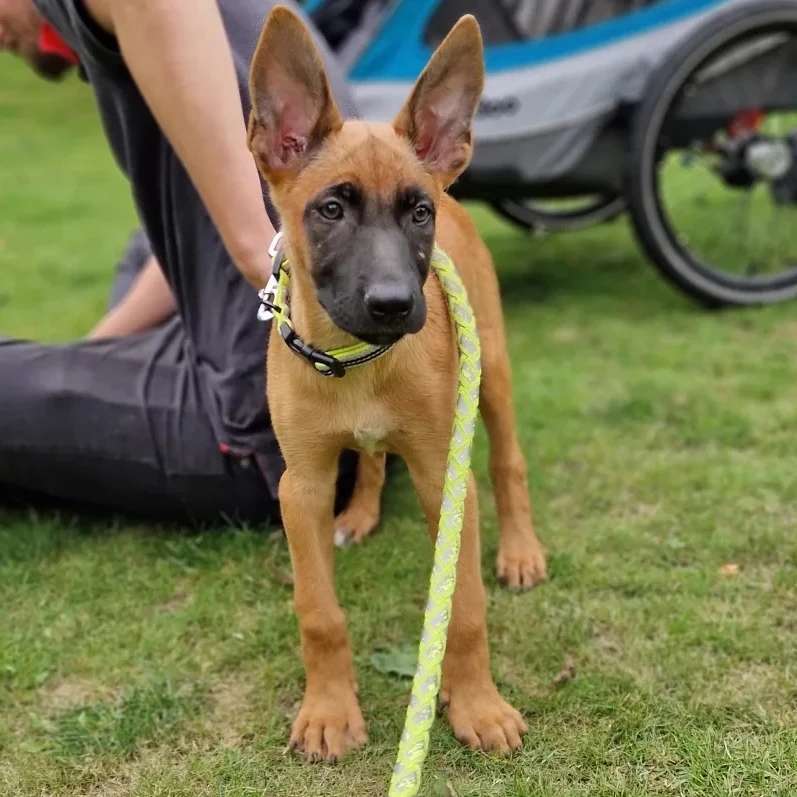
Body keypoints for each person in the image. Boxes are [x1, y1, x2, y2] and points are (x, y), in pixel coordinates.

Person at [0, 0, 355, 523]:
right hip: (358, 402)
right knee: (146, 241)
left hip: (272, 433)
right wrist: (95, 351)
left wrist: (264, 251)